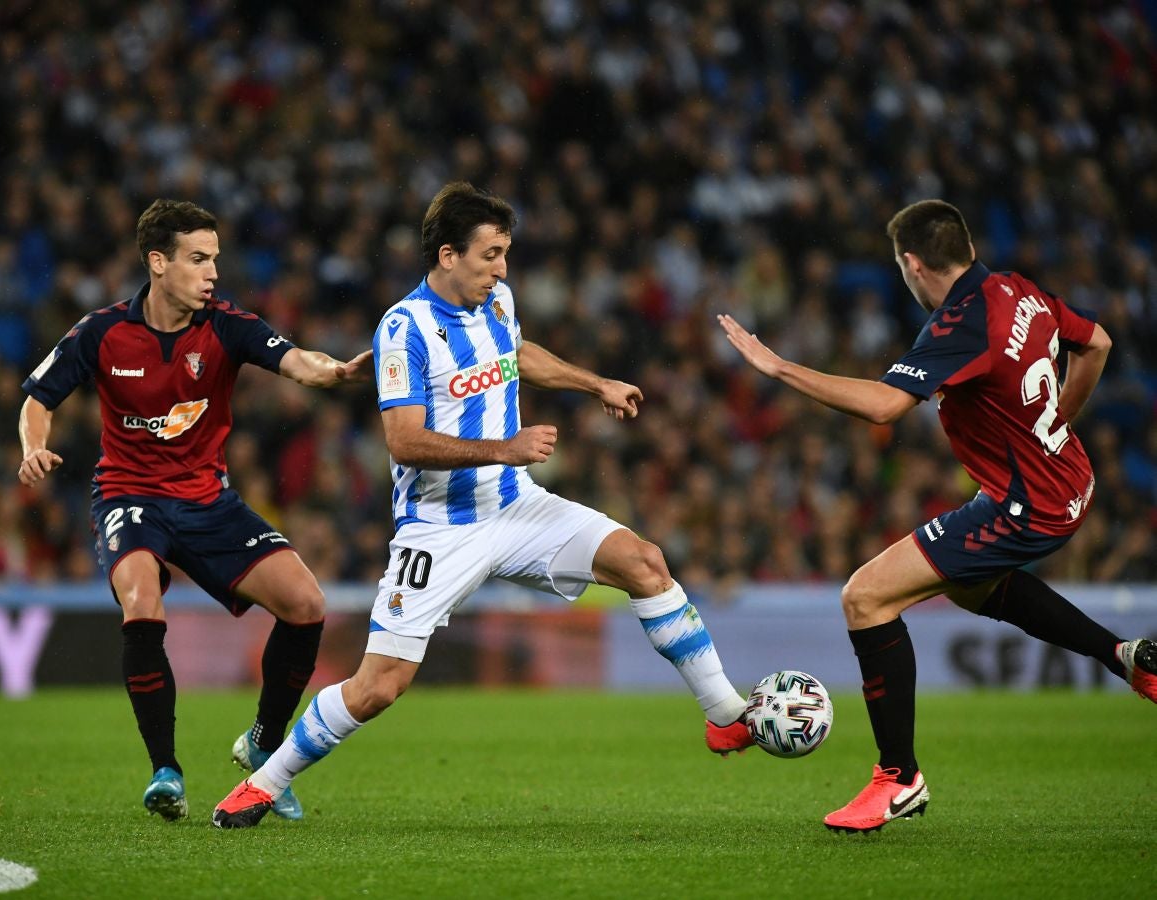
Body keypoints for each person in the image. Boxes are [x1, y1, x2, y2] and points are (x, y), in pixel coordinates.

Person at [211, 181, 752, 829]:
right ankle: (263, 784)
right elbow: (404, 440)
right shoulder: (403, 328)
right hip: (439, 527)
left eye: (505, 254)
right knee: (379, 686)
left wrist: (593, 383)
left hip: (516, 505)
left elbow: (515, 355)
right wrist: (505, 446)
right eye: (491, 254)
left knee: (643, 561)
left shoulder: (498, 301)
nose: (502, 268)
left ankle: (724, 715)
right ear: (447, 255)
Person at [717, 199, 1156, 834]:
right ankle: (1126, 656)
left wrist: (779, 366)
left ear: (913, 264)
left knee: (865, 598)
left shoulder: (961, 323)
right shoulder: (1017, 290)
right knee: (975, 589)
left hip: (1026, 503)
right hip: (1069, 479)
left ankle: (899, 778)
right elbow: (1098, 344)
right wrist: (1054, 422)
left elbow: (884, 407)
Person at [18, 199, 370, 821]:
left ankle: (264, 743)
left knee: (306, 604)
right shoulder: (101, 331)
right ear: (158, 263)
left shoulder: (227, 326)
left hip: (208, 501)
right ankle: (166, 771)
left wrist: (334, 370)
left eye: (216, 259)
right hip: (130, 496)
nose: (212, 272)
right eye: (198, 259)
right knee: (140, 602)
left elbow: (296, 361)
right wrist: (34, 448)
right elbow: (38, 397)